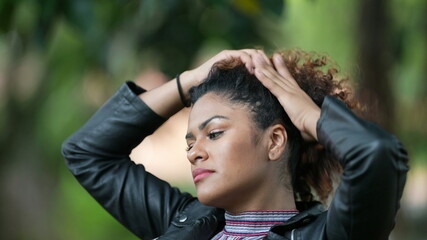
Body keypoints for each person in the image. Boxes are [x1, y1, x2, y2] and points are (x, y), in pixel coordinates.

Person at [62, 49, 409, 240]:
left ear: (274, 141)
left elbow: (377, 155)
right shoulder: (185, 223)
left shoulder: (332, 236)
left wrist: (307, 116)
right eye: (190, 142)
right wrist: (190, 81)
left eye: (214, 134)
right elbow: (86, 154)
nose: (195, 152)